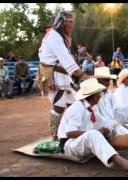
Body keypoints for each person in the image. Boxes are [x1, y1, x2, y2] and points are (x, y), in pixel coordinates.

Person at [57, 78, 128, 174]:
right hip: (69, 145)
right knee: (93, 134)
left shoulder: (92, 108)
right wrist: (98, 132)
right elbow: (70, 133)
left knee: (110, 125)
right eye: (99, 93)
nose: (100, 95)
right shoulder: (77, 107)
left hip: (81, 141)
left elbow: (106, 123)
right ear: (93, 95)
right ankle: (126, 164)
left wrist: (108, 130)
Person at [37, 11, 90, 140]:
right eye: (69, 22)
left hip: (62, 74)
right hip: (55, 75)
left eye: (73, 22)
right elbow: (66, 60)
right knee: (59, 106)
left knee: (74, 103)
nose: (72, 25)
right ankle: (55, 136)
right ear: (61, 23)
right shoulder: (54, 37)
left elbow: (66, 60)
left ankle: (71, 130)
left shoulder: (58, 36)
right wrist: (84, 76)